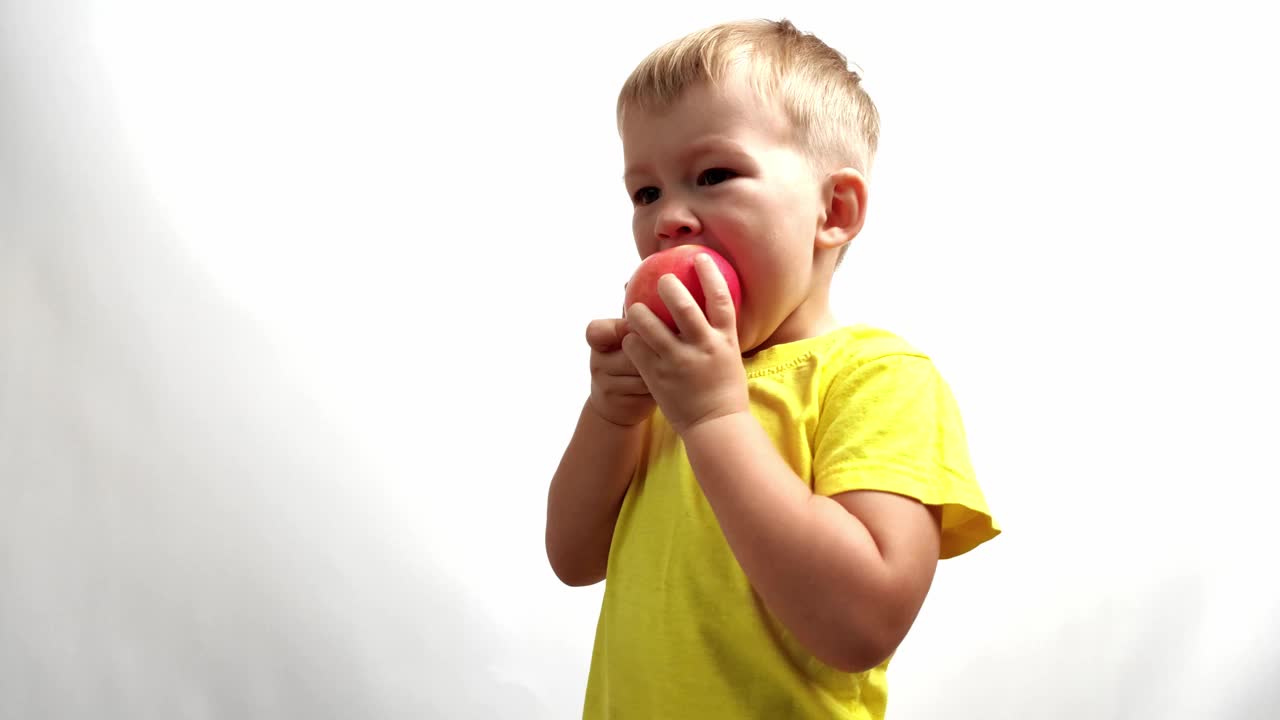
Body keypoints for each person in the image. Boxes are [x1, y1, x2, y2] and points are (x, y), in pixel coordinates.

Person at [545, 18, 1000, 719]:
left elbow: (862, 625)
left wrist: (717, 418)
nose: (668, 219)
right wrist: (610, 414)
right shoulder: (673, 382)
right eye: (646, 192)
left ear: (834, 210)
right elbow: (574, 559)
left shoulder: (878, 376)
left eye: (713, 175)